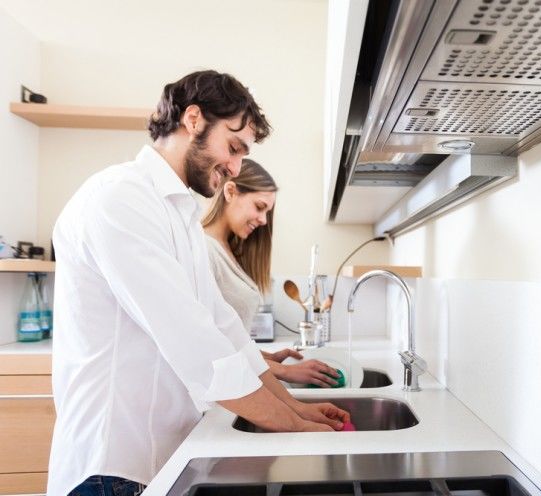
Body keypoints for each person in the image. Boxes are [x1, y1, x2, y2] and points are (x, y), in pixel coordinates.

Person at [48, 70, 349, 496]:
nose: (235, 167)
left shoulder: (178, 214)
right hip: (111, 466)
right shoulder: (119, 197)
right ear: (193, 119)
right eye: (233, 146)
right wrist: (293, 423)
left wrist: (297, 411)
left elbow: (223, 329)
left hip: (155, 460)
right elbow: (194, 344)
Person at [202, 159, 342, 387]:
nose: (263, 220)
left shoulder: (229, 250)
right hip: (217, 390)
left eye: (267, 211)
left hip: (231, 382)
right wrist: (284, 371)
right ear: (230, 191)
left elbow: (229, 340)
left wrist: (263, 358)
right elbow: (209, 347)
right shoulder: (204, 250)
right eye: (259, 207)